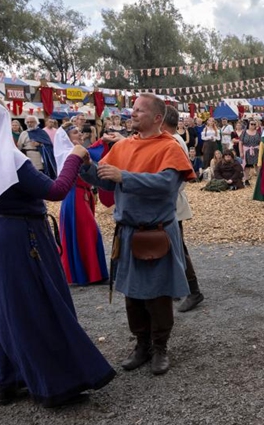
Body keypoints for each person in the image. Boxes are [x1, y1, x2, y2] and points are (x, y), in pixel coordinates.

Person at [0, 96, 115, 407]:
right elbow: (56, 191)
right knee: (35, 305)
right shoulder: (8, 159)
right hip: (19, 234)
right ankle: (55, 383)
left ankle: (9, 379)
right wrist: (75, 156)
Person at [79, 94, 194, 376]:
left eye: (139, 111)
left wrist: (125, 177)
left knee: (158, 294)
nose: (132, 114)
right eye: (133, 110)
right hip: (128, 232)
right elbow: (104, 178)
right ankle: (142, 345)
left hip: (156, 232)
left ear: (157, 118)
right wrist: (84, 166)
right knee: (132, 295)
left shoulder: (170, 147)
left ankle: (160, 347)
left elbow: (167, 184)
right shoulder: (123, 146)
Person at [162, 107, 204, 313]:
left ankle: (194, 291)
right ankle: (176, 286)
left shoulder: (174, 142)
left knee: (178, 246)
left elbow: (178, 177)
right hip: (170, 201)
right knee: (171, 245)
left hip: (172, 202)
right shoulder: (172, 140)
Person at [56, 124, 109, 286]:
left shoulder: (77, 150)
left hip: (84, 194)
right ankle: (87, 274)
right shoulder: (68, 154)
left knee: (87, 232)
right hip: (75, 196)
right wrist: (101, 141)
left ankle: (93, 273)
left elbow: (90, 152)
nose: (79, 134)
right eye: (74, 132)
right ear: (67, 138)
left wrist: (102, 140)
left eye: (79, 131)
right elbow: (88, 155)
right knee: (87, 231)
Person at [239, 119, 261, 186]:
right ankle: (246, 179)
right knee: (247, 166)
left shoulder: (258, 132)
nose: (253, 125)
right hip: (247, 151)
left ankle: (259, 180)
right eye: (251, 124)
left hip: (256, 151)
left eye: (254, 124)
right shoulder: (244, 132)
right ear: (248, 124)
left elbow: (261, 142)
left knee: (257, 165)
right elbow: (240, 142)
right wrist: (241, 152)